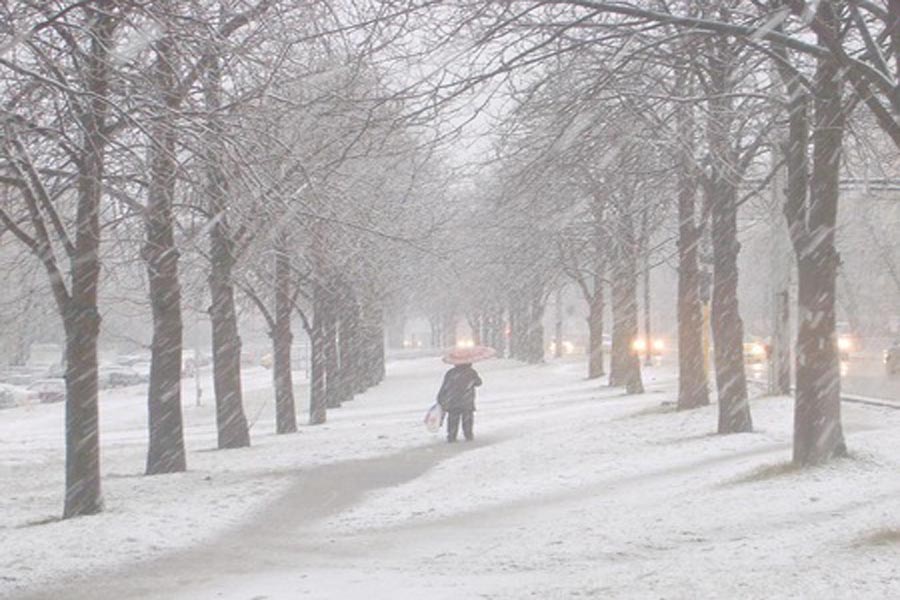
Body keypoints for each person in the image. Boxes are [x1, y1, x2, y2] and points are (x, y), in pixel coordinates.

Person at [436, 362, 482, 442]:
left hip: (453, 400)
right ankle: (468, 435)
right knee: (467, 419)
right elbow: (479, 383)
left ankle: (452, 436)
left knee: (453, 419)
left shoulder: (451, 373)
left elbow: (445, 386)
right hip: (467, 401)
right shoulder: (471, 372)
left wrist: (441, 397)